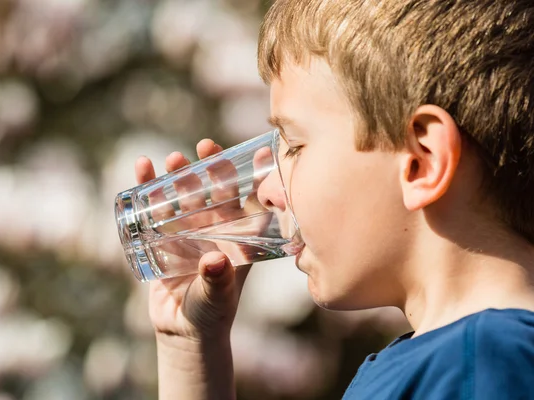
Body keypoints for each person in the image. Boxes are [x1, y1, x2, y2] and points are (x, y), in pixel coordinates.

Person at [134, 0, 534, 398]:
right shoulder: (455, 361)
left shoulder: (481, 363)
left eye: (293, 145)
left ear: (421, 162)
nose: (268, 192)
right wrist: (187, 346)